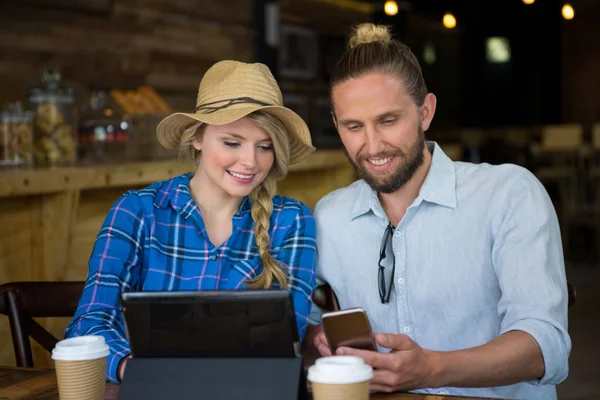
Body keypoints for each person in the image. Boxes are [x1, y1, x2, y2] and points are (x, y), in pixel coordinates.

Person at [305, 23, 570, 399]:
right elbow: (307, 331)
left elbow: (547, 348)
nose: (372, 145)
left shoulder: (509, 194)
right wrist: (318, 341)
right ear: (336, 125)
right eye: (353, 127)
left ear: (425, 112)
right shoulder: (327, 217)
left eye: (388, 120)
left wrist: (430, 368)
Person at [66, 60, 318, 383]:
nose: (251, 162)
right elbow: (89, 324)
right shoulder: (137, 212)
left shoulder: (292, 222)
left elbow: (284, 345)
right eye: (232, 142)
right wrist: (137, 372)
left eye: (265, 146)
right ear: (198, 136)